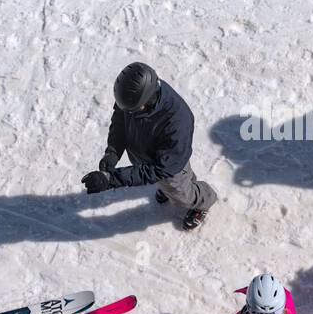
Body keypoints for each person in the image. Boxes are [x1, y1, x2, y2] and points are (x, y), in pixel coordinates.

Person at [82, 62, 219, 231]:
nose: (128, 112)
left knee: (181, 194)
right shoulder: (133, 96)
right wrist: (112, 152)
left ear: (148, 98)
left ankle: (204, 200)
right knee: (165, 181)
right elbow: (120, 122)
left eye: (132, 109)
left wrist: (111, 180)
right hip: (148, 156)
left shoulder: (177, 122)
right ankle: (169, 188)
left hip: (167, 168)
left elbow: (161, 169)